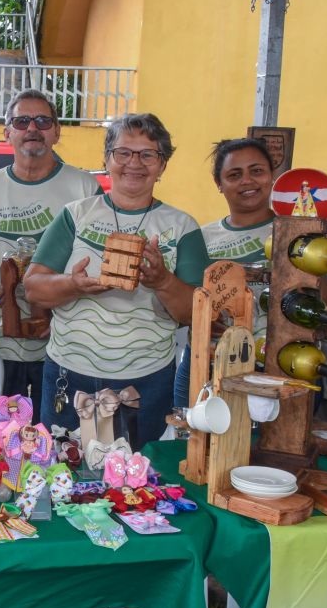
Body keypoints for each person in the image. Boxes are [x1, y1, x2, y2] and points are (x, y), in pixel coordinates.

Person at [24, 113, 210, 447]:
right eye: (123, 152)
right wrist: (73, 285)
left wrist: (163, 281)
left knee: (139, 475)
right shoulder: (76, 214)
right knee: (64, 469)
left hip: (146, 384)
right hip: (69, 378)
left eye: (147, 154)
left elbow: (195, 314)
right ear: (107, 159)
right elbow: (33, 288)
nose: (134, 163)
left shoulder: (182, 226)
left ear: (162, 165)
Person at [0, 89, 100, 423]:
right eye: (22, 121)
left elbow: (97, 262)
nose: (32, 128)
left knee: (60, 438)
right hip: (0, 342)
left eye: (43, 121)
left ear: (57, 131)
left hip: (65, 345)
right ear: (7, 133)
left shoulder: (84, 188)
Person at [173, 137, 275, 407]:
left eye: (257, 171)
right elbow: (183, 303)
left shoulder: (293, 233)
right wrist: (202, 317)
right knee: (191, 433)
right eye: (234, 175)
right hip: (204, 364)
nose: (247, 181)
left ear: (271, 175)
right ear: (219, 183)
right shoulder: (200, 237)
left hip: (270, 367)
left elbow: (323, 301)